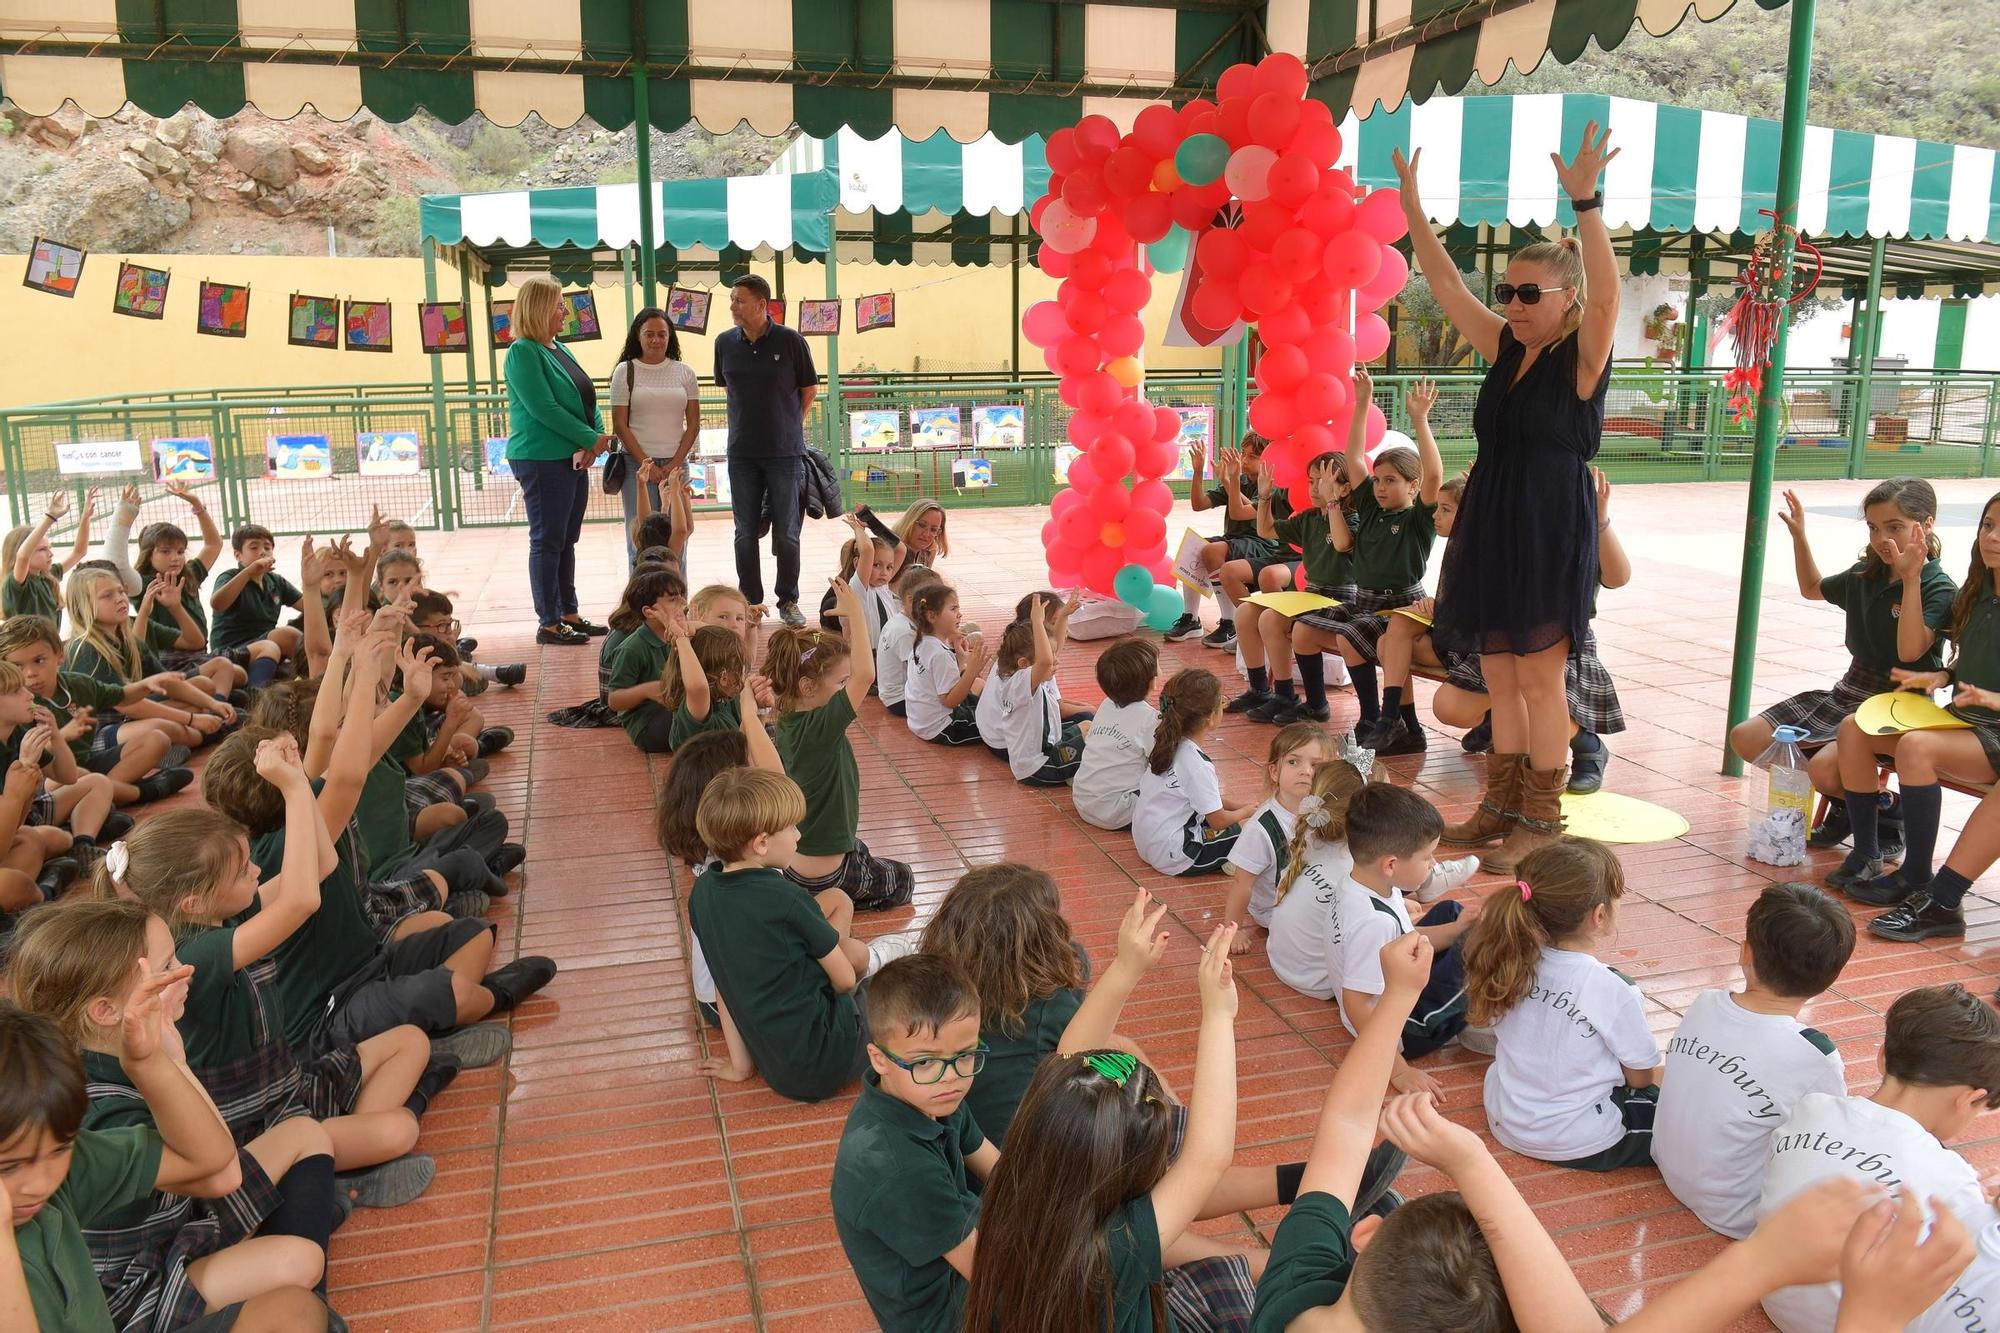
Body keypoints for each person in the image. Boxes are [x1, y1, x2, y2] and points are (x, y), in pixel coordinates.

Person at [1395, 125, 1623, 866]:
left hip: (1550, 522)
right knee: (1499, 670)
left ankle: (1541, 818)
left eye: (1530, 294)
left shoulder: (1581, 359)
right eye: (1509, 292)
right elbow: (1447, 285)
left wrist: (1586, 202)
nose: (1514, 304)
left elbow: (1610, 291)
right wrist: (1412, 208)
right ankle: (1499, 805)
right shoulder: (1505, 347)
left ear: (1567, 298)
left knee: (1538, 676)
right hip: (1493, 516)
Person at [961, 922, 1269, 1332]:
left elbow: (1068, 1060)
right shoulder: (1114, 1249)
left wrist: (1127, 968)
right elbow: (1207, 1156)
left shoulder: (1020, 1181)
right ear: (1125, 1172)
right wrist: (1218, 1014)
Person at [0, 999, 336, 1333]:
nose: (40, 1182)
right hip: (145, 1295)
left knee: (296, 1309)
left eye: (60, 1149)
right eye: (9, 1167)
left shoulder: (64, 1169)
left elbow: (209, 1161)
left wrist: (151, 1063)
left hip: (173, 1256)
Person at [1758, 984, 2000, 1332]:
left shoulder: (1812, 1109)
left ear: (1882, 1056)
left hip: (1770, 1293)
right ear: (1970, 1099)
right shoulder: (1952, 1179)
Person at [1738, 479, 1952, 855]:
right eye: (1873, 527)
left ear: (1927, 525)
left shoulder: (1938, 587)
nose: (1882, 538)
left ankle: (1888, 812)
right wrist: (1800, 536)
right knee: (1747, 739)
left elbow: (1909, 651)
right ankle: (1852, 802)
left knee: (1823, 769)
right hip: (1851, 689)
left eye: (1895, 527)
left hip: (1901, 703)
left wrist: (1911, 578)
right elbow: (1812, 588)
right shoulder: (1865, 574)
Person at [1826, 490, 2000, 928]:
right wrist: (1945, 676)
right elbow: (1971, 656)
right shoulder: (1982, 590)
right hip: (1966, 722)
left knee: (1918, 748)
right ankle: (1867, 853)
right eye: (1988, 525)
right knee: (1853, 729)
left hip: (1993, 731)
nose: (1993, 538)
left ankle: (1919, 876)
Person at [1655, 882, 1853, 1239]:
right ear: (1831, 977)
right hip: (1738, 1212)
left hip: (1670, 1170)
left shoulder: (1706, 1002)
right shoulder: (1814, 1054)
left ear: (1745, 953)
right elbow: (1831, 1143)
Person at [1463, 837, 1663, 1170]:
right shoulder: (1614, 989)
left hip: (1504, 1117)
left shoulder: (1509, 958)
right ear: (1599, 915)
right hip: (1577, 1141)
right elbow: (1640, 1078)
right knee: (1682, 1115)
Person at [1261, 373, 1441, 732]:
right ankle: (1323, 706)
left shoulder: (1418, 518)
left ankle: (1372, 718)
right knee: (1303, 633)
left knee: (1349, 638)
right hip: (1364, 601)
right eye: (1378, 480)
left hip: (1401, 605)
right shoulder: (1372, 509)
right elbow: (1354, 456)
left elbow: (1435, 475)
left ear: (1413, 485)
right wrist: (1362, 403)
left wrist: (1420, 420)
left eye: (1391, 481)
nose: (1380, 487)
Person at [830, 954, 993, 1332]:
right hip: (948, 1314)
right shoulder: (897, 1168)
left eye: (965, 1055)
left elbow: (999, 1168)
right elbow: (994, 1277)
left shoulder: (930, 1096)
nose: (950, 1078)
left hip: (964, 1263)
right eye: (924, 1062)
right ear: (879, 1059)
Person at [687, 768, 868, 1101]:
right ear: (761, 843)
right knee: (878, 974)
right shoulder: (787, 899)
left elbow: (724, 982)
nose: (799, 835)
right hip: (828, 1061)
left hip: (779, 1070)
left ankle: (832, 950)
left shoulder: (703, 894)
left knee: (837, 902)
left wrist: (740, 1067)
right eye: (791, 827)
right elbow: (843, 982)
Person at [769, 583, 916, 913]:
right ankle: (829, 903)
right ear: (807, 686)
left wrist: (849, 629)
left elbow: (850, 666)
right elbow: (864, 674)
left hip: (799, 861)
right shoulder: (820, 728)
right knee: (903, 880)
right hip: (824, 876)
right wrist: (859, 614)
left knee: (862, 849)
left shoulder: (788, 717)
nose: (845, 689)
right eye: (840, 683)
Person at [1329, 783, 1475, 1087]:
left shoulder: (1367, 883)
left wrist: (1456, 929)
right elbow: (1357, 1003)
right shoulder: (1373, 923)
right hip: (1401, 1026)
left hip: (1397, 985)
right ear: (1391, 864)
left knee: (1452, 913)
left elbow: (1403, 938)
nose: (1434, 864)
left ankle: (1464, 941)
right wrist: (1397, 1069)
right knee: (1481, 956)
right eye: (1428, 857)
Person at [503, 273, 616, 646]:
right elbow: (543, 408)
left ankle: (569, 612)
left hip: (570, 457)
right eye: (558, 304)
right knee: (548, 540)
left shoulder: (559, 348)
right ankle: (548, 622)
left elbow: (586, 399)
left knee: (567, 538)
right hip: (541, 459)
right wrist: (590, 439)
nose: (564, 310)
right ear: (538, 309)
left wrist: (595, 439)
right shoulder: (522, 351)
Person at [715, 275, 819, 627]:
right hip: (741, 454)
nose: (733, 306)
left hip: (784, 454)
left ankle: (788, 599)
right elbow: (729, 390)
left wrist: (790, 425)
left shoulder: (791, 341)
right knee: (744, 532)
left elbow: (809, 389)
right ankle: (751, 601)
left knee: (787, 531)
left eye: (739, 300)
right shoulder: (724, 343)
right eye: (732, 299)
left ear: (761, 305)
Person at [1229, 451, 1355, 719]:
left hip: (1340, 599)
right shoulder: (1309, 518)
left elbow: (1343, 543)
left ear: (1345, 488)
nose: (1314, 488)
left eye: (1322, 482)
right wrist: (1264, 498)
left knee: (1271, 620)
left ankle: (1287, 695)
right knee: (1246, 612)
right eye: (1311, 481)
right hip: (1311, 596)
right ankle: (1260, 689)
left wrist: (1332, 503)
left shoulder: (1350, 518)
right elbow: (1266, 530)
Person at [1132, 668, 1257, 876]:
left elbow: (1203, 797)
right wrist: (1246, 812)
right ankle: (1227, 861)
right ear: (1210, 717)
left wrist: (1240, 805)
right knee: (1237, 834)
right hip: (1173, 855)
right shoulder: (1198, 763)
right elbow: (1217, 820)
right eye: (1222, 703)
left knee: (1216, 817)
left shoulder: (1165, 743)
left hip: (1147, 843)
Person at [609, 307, 702, 569]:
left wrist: (672, 465)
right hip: (636, 468)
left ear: (670, 337)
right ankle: (640, 605)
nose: (655, 340)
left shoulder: (685, 372)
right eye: (649, 334)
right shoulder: (624, 371)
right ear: (637, 336)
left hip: (676, 466)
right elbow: (620, 423)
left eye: (662, 334)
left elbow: (693, 424)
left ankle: (677, 604)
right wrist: (646, 464)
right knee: (640, 540)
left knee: (678, 537)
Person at [1222, 724, 1330, 946]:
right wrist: (1233, 930)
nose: (1306, 771)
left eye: (1316, 765)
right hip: (1277, 911)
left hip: (1313, 895)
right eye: (1293, 762)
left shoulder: (1325, 809)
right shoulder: (1262, 828)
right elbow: (1242, 884)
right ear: (1274, 771)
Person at [1071, 637, 1160, 831]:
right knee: (1171, 786)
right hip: (1117, 812)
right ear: (1153, 682)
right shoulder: (1151, 719)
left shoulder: (1106, 705)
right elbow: (1164, 764)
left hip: (1083, 801)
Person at [903, 583, 989, 747]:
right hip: (944, 727)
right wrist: (971, 671)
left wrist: (961, 661)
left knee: (982, 700)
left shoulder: (922, 642)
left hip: (920, 722)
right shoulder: (940, 654)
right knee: (995, 724)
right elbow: (949, 701)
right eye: (953, 609)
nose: (960, 614)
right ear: (932, 616)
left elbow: (939, 681)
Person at [3, 485, 96, 625]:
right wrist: (50, 517)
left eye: (49, 548)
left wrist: (85, 518)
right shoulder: (17, 584)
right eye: (42, 549)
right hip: (29, 646)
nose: (51, 554)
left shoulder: (48, 575)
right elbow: (22, 557)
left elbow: (79, 552)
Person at [877, 564, 945, 720]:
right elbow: (922, 673)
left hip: (900, 694)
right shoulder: (905, 632)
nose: (938, 608)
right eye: (933, 602)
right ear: (910, 600)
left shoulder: (905, 621)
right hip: (900, 699)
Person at [893, 499, 949, 572]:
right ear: (910, 522)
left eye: (933, 530)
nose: (926, 534)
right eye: (922, 525)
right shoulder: (891, 550)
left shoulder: (929, 551)